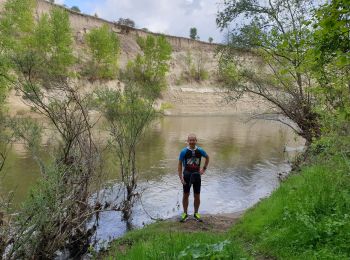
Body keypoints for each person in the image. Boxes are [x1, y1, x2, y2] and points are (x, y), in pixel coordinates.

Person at [178, 134, 209, 222]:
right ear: (188, 141)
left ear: (196, 141)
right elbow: (179, 164)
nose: (192, 142)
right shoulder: (183, 151)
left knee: (197, 195)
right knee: (186, 195)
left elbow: (207, 157)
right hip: (187, 175)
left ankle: (196, 213)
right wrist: (181, 177)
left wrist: (204, 169)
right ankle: (185, 213)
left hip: (197, 176)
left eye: (193, 140)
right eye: (190, 140)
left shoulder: (200, 150)